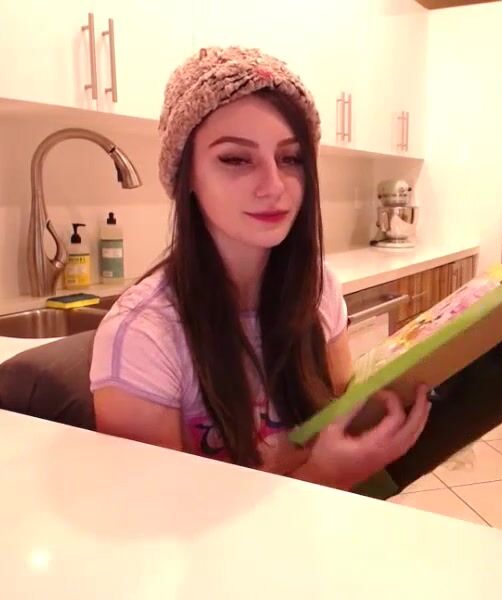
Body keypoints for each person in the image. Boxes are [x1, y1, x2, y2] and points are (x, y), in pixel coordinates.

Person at [89, 47, 430, 491]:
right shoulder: (142, 335)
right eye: (236, 159)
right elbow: (156, 517)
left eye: (291, 159)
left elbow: (340, 419)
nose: (274, 186)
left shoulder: (318, 288)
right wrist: (325, 475)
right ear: (186, 176)